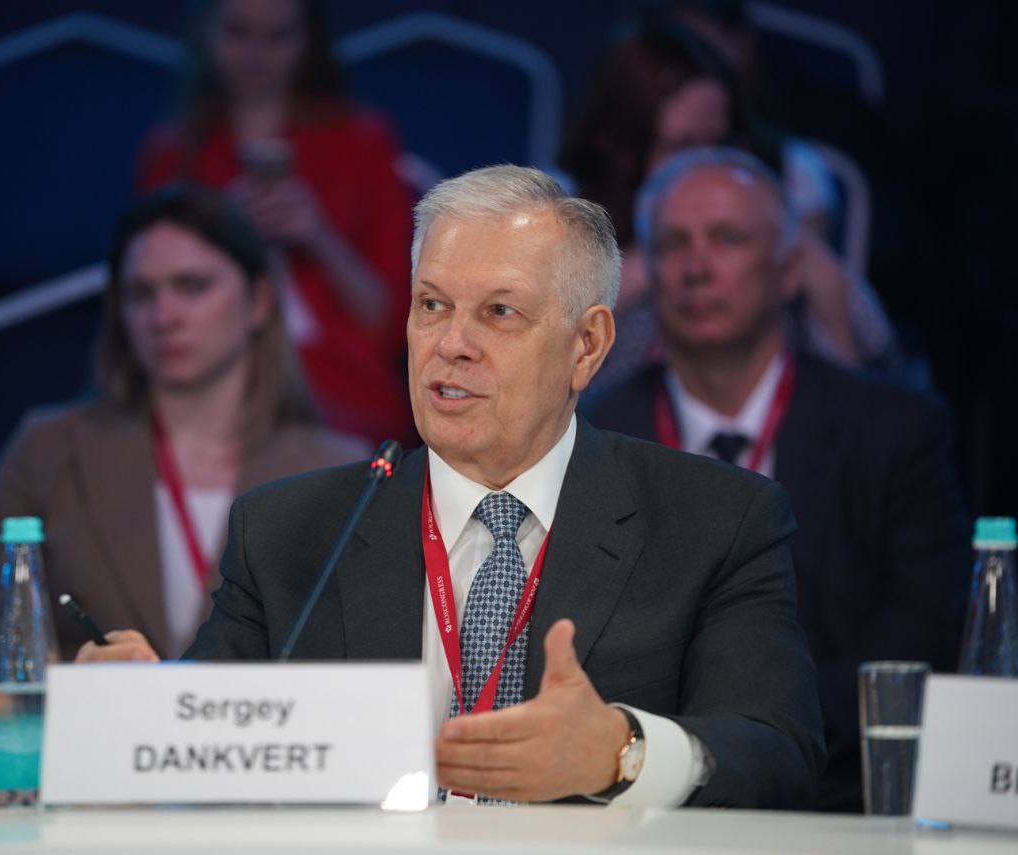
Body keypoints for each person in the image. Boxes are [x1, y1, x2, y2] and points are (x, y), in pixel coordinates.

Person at [82, 165, 825, 808]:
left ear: (587, 344)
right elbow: (207, 744)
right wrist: (143, 711)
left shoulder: (715, 522)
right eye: (432, 305)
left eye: (499, 312)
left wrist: (623, 751)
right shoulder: (288, 532)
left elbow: (778, 754)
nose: (451, 344)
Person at [582, 147, 971, 811]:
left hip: (840, 791)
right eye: (674, 244)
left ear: (790, 270)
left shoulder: (895, 431)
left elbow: (923, 633)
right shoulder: (590, 435)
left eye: (728, 239)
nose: (697, 266)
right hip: (640, 795)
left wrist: (749, 733)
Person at [0, 185, 366, 663]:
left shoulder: (342, 471)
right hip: (90, 714)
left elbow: (371, 666)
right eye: (141, 293)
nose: (163, 316)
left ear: (258, 301)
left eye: (192, 286)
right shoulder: (48, 451)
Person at [558, 16, 897, 388]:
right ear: (620, 147)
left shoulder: (776, 200)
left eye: (717, 143)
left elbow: (862, 351)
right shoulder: (559, 209)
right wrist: (642, 269)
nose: (703, 165)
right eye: (683, 146)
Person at [137, 0, 415, 445]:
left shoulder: (362, 141)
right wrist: (219, 233)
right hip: (210, 373)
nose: (256, 55)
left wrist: (317, 235)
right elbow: (154, 308)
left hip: (336, 385)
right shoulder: (174, 152)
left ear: (307, 41)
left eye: (277, 36)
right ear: (206, 33)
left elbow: (390, 322)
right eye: (239, 33)